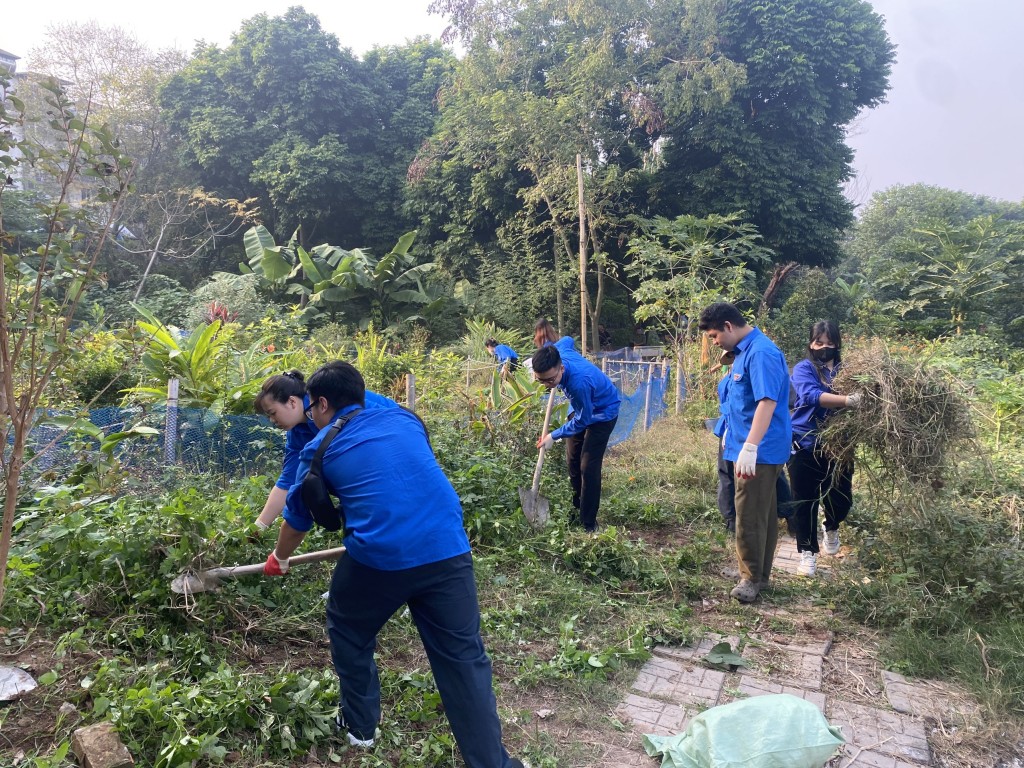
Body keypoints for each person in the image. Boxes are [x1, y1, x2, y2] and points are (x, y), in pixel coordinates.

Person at [262, 361, 524, 768]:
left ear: (323, 404)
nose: (311, 415)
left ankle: (360, 727)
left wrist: (279, 557)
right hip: (449, 550)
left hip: (381, 561)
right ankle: (493, 764)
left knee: (347, 625)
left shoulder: (319, 448)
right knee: (463, 659)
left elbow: (299, 519)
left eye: (314, 408)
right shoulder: (405, 418)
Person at [698, 302, 791, 603]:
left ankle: (750, 578)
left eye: (714, 336)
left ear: (728, 326)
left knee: (749, 513)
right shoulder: (745, 352)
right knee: (761, 510)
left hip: (759, 449)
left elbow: (766, 402)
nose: (714, 343)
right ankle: (756, 572)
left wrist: (750, 447)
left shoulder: (760, 353)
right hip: (750, 445)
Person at [252, 369, 398, 532]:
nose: (272, 421)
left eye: (273, 413)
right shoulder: (297, 432)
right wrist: (258, 527)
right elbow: (288, 480)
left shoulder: (330, 403)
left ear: (292, 402)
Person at [788, 321, 862, 576]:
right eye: (819, 343)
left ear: (837, 344)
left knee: (841, 499)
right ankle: (807, 554)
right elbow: (809, 396)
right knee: (804, 500)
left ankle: (831, 526)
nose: (824, 348)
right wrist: (847, 401)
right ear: (811, 344)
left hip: (841, 445)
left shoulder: (849, 371)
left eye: (830, 343)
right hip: (804, 442)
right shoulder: (803, 369)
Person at [531, 345, 621, 533]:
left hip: (603, 412)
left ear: (561, 368)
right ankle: (576, 508)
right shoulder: (559, 351)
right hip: (581, 407)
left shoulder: (578, 383)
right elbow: (566, 340)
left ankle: (588, 523)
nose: (547, 384)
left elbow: (584, 420)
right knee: (572, 460)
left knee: (587, 467)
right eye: (541, 380)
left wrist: (553, 436)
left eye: (550, 380)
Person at [712, 351, 794, 535]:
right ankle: (732, 519)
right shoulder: (728, 379)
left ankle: (788, 514)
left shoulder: (762, 369)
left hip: (757, 433)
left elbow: (775, 403)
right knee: (727, 473)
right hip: (730, 430)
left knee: (771, 476)